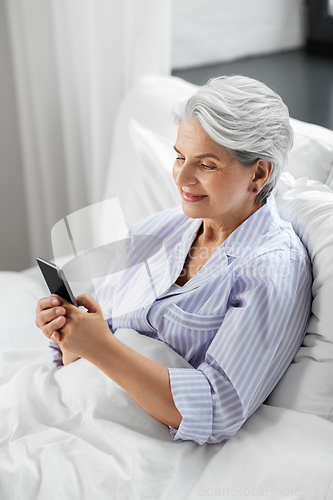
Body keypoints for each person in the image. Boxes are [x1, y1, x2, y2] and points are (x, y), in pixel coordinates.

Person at [35, 75, 312, 445]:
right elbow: (91, 354)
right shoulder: (160, 229)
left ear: (258, 174)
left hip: (139, 445)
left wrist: (99, 345)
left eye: (206, 164)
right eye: (179, 156)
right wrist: (70, 335)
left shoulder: (272, 269)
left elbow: (217, 410)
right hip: (76, 406)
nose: (181, 176)